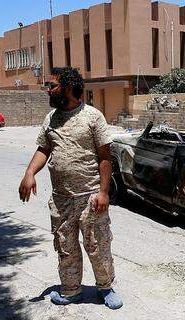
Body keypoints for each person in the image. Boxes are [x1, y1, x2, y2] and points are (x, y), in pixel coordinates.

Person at [18, 67, 122, 310]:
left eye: (52, 85)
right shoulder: (51, 118)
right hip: (62, 198)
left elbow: (105, 157)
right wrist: (29, 173)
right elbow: (44, 149)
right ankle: (71, 290)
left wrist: (104, 192)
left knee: (98, 245)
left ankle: (106, 288)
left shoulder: (92, 116)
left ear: (69, 87)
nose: (48, 90)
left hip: (90, 196)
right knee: (65, 245)